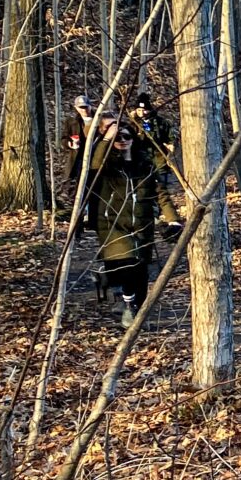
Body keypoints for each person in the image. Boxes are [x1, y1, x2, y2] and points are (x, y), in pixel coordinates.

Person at [86, 119, 160, 330]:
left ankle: (133, 306)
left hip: (141, 225)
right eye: (118, 137)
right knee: (126, 266)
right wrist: (107, 137)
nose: (123, 140)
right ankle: (128, 307)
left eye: (127, 136)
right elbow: (93, 166)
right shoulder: (106, 166)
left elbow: (160, 192)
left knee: (141, 272)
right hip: (112, 224)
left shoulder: (143, 164)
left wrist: (172, 219)